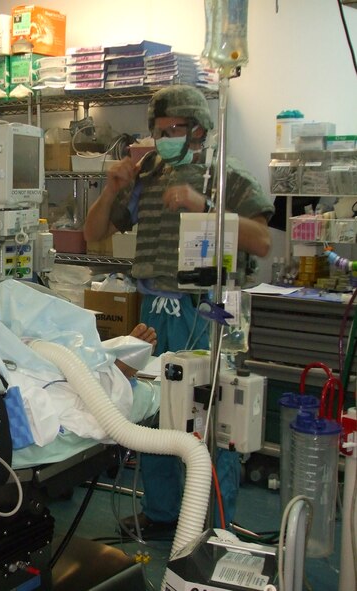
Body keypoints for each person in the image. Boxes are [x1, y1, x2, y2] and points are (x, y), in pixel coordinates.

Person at [83, 85, 275, 537]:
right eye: (159, 130)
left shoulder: (224, 174)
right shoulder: (147, 173)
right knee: (153, 410)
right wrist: (111, 188)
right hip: (154, 307)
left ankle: (214, 522)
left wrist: (204, 206)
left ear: (200, 130)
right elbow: (93, 233)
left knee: (210, 416)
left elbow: (263, 243)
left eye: (175, 129)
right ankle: (164, 512)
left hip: (206, 312)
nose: (166, 137)